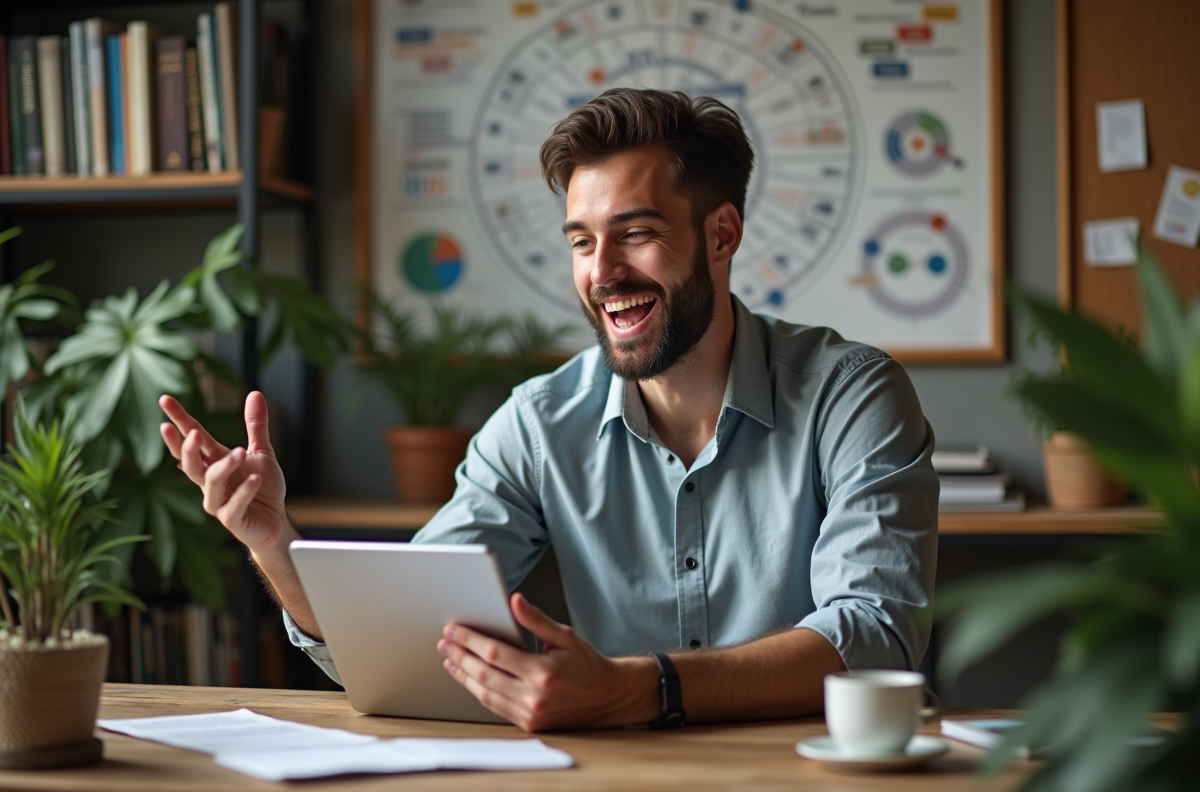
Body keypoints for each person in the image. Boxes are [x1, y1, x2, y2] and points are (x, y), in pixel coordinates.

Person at [160, 88, 938, 733]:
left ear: (721, 234)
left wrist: (645, 687)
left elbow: (875, 635)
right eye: (581, 242)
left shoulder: (853, 393)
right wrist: (275, 545)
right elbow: (409, 635)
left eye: (635, 234)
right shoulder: (537, 423)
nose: (603, 274)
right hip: (617, 778)